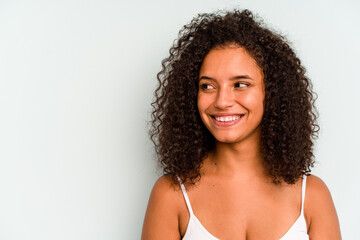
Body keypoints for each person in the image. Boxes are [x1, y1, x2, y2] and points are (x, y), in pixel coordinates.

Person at [142, 9, 341, 240]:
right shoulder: (171, 194)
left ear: (272, 92)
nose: (222, 101)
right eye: (207, 86)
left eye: (240, 84)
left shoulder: (312, 196)